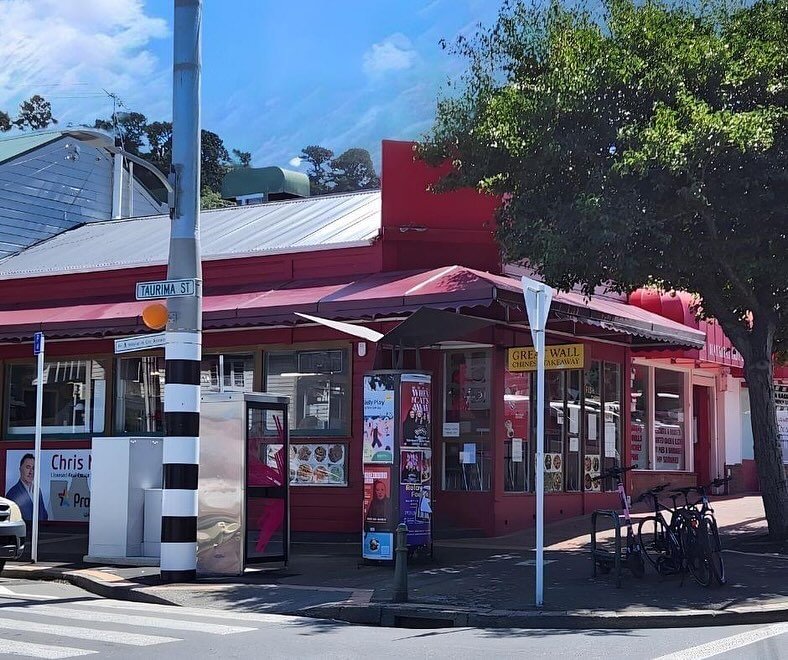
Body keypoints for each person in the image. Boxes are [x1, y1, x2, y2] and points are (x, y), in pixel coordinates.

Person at [6, 453, 48, 522]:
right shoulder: (12, 493)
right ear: (20, 469)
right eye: (28, 467)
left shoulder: (37, 491)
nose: (31, 472)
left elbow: (44, 514)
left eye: (33, 468)